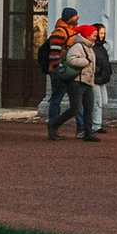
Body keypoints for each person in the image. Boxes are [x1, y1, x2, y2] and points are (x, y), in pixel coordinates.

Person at [42, 8, 81, 140]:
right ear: (69, 18)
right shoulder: (59, 32)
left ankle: (77, 128)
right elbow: (54, 54)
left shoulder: (70, 31)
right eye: (75, 16)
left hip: (67, 70)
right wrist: (59, 70)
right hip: (60, 72)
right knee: (56, 99)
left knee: (74, 101)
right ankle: (53, 127)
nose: (78, 18)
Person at [58, 22, 98, 141]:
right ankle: (54, 124)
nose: (95, 37)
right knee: (74, 109)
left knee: (88, 109)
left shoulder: (90, 47)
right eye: (93, 35)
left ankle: (88, 133)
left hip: (88, 82)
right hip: (77, 82)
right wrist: (85, 61)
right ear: (86, 35)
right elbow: (71, 60)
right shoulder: (78, 47)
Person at [88, 19, 114, 136]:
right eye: (101, 33)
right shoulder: (92, 47)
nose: (103, 35)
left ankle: (96, 123)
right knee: (97, 102)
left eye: (103, 33)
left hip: (102, 78)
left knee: (103, 101)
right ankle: (95, 125)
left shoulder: (101, 47)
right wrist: (98, 70)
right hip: (95, 78)